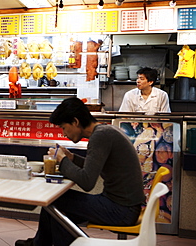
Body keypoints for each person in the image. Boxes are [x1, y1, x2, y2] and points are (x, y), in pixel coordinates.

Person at [16, 97, 145, 246]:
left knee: (56, 205)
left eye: (64, 128)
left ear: (75, 122)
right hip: (124, 205)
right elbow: (93, 167)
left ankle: (40, 244)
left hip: (121, 210)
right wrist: (71, 158)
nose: (64, 134)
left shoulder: (100, 136)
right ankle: (39, 244)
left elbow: (87, 181)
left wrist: (63, 160)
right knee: (56, 207)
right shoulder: (105, 131)